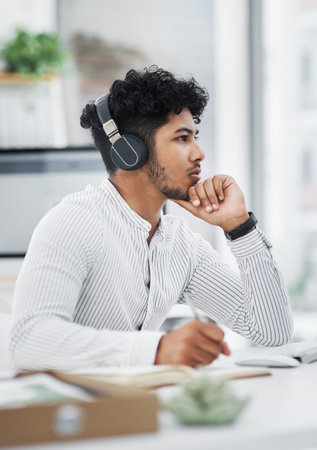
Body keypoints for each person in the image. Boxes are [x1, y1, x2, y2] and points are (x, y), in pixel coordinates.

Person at [10, 66, 293, 370]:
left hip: (135, 410)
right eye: (182, 138)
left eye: (194, 137)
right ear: (130, 151)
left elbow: (271, 333)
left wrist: (240, 227)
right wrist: (157, 349)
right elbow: (29, 341)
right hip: (70, 414)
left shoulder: (180, 245)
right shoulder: (75, 222)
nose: (199, 154)